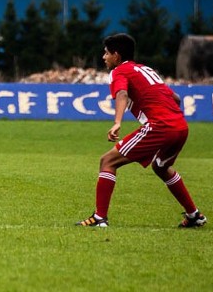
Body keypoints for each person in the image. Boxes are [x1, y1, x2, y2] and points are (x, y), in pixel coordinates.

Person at [77, 33, 206, 228]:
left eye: (106, 53)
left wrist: (117, 122)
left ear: (116, 55)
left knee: (107, 161)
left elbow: (121, 93)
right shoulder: (145, 69)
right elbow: (177, 99)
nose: (104, 57)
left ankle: (99, 217)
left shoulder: (119, 71)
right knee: (161, 167)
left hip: (160, 126)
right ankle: (194, 215)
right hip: (180, 126)